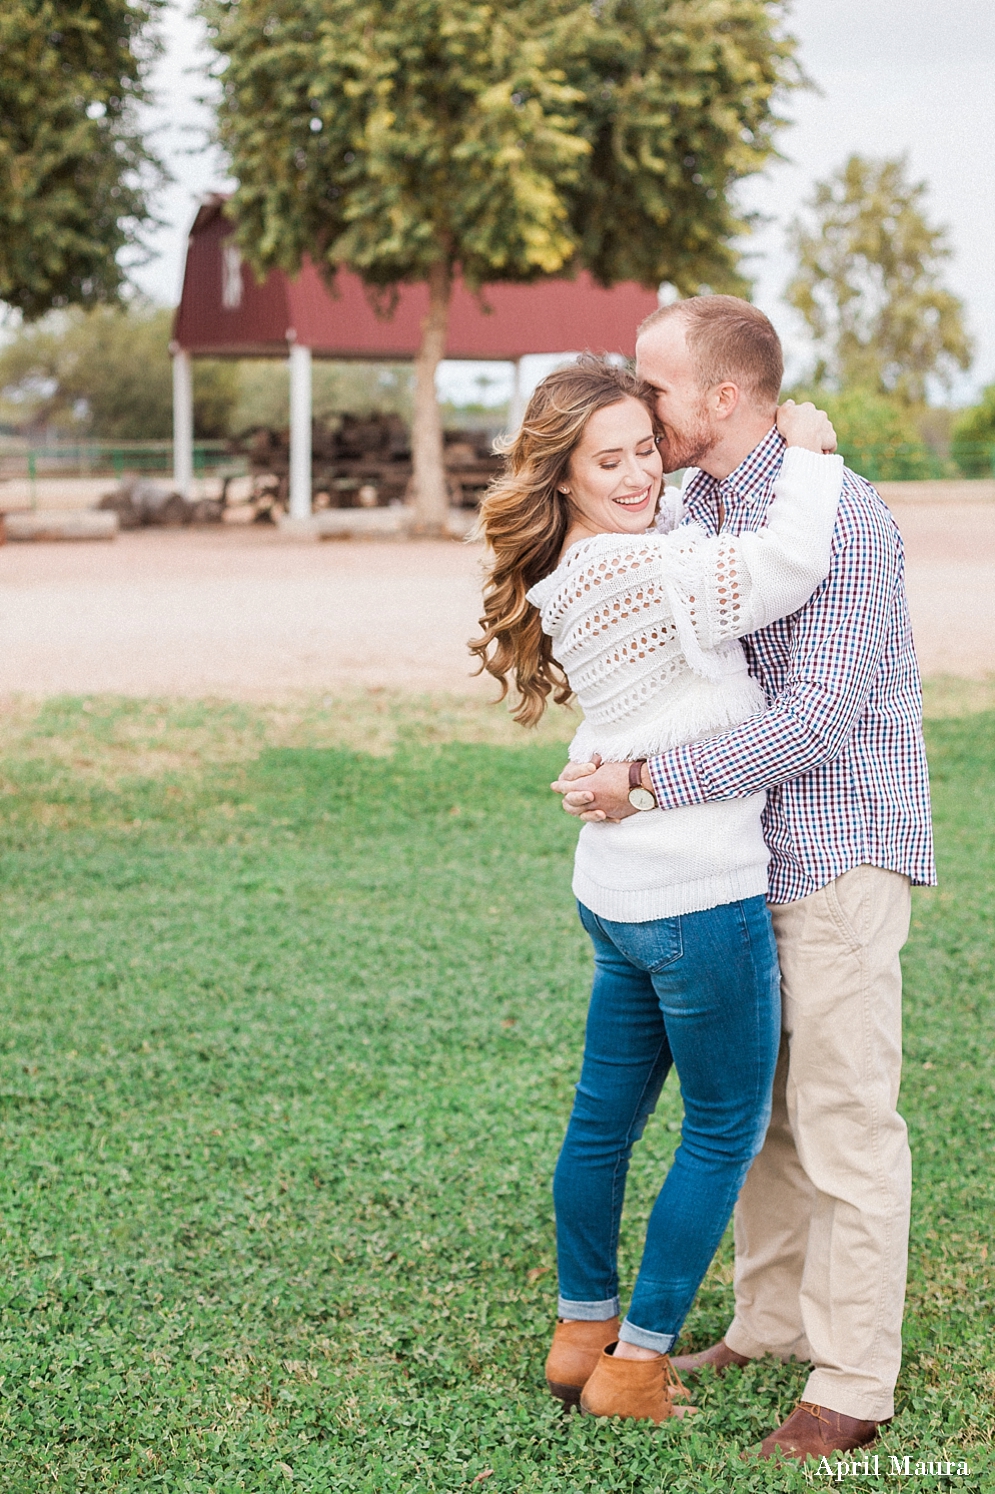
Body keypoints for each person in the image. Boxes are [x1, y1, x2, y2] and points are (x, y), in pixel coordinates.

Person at [553, 297, 935, 1462]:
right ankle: (766, 1324)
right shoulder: (699, 498)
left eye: (653, 387)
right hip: (730, 859)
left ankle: (852, 1381)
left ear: (720, 398)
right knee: (761, 1116)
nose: (637, 402)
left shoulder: (845, 518)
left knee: (841, 1122)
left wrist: (644, 778)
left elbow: (815, 720)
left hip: (833, 848)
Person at [470, 354, 842, 1427]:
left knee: (601, 1121)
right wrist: (806, 459)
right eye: (609, 460)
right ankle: (633, 1368)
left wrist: (675, 475)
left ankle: (577, 1327)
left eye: (646, 449)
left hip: (618, 894)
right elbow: (779, 567)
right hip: (695, 892)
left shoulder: (581, 565)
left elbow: (676, 521)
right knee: (721, 1126)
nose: (638, 475)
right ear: (563, 474)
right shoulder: (646, 572)